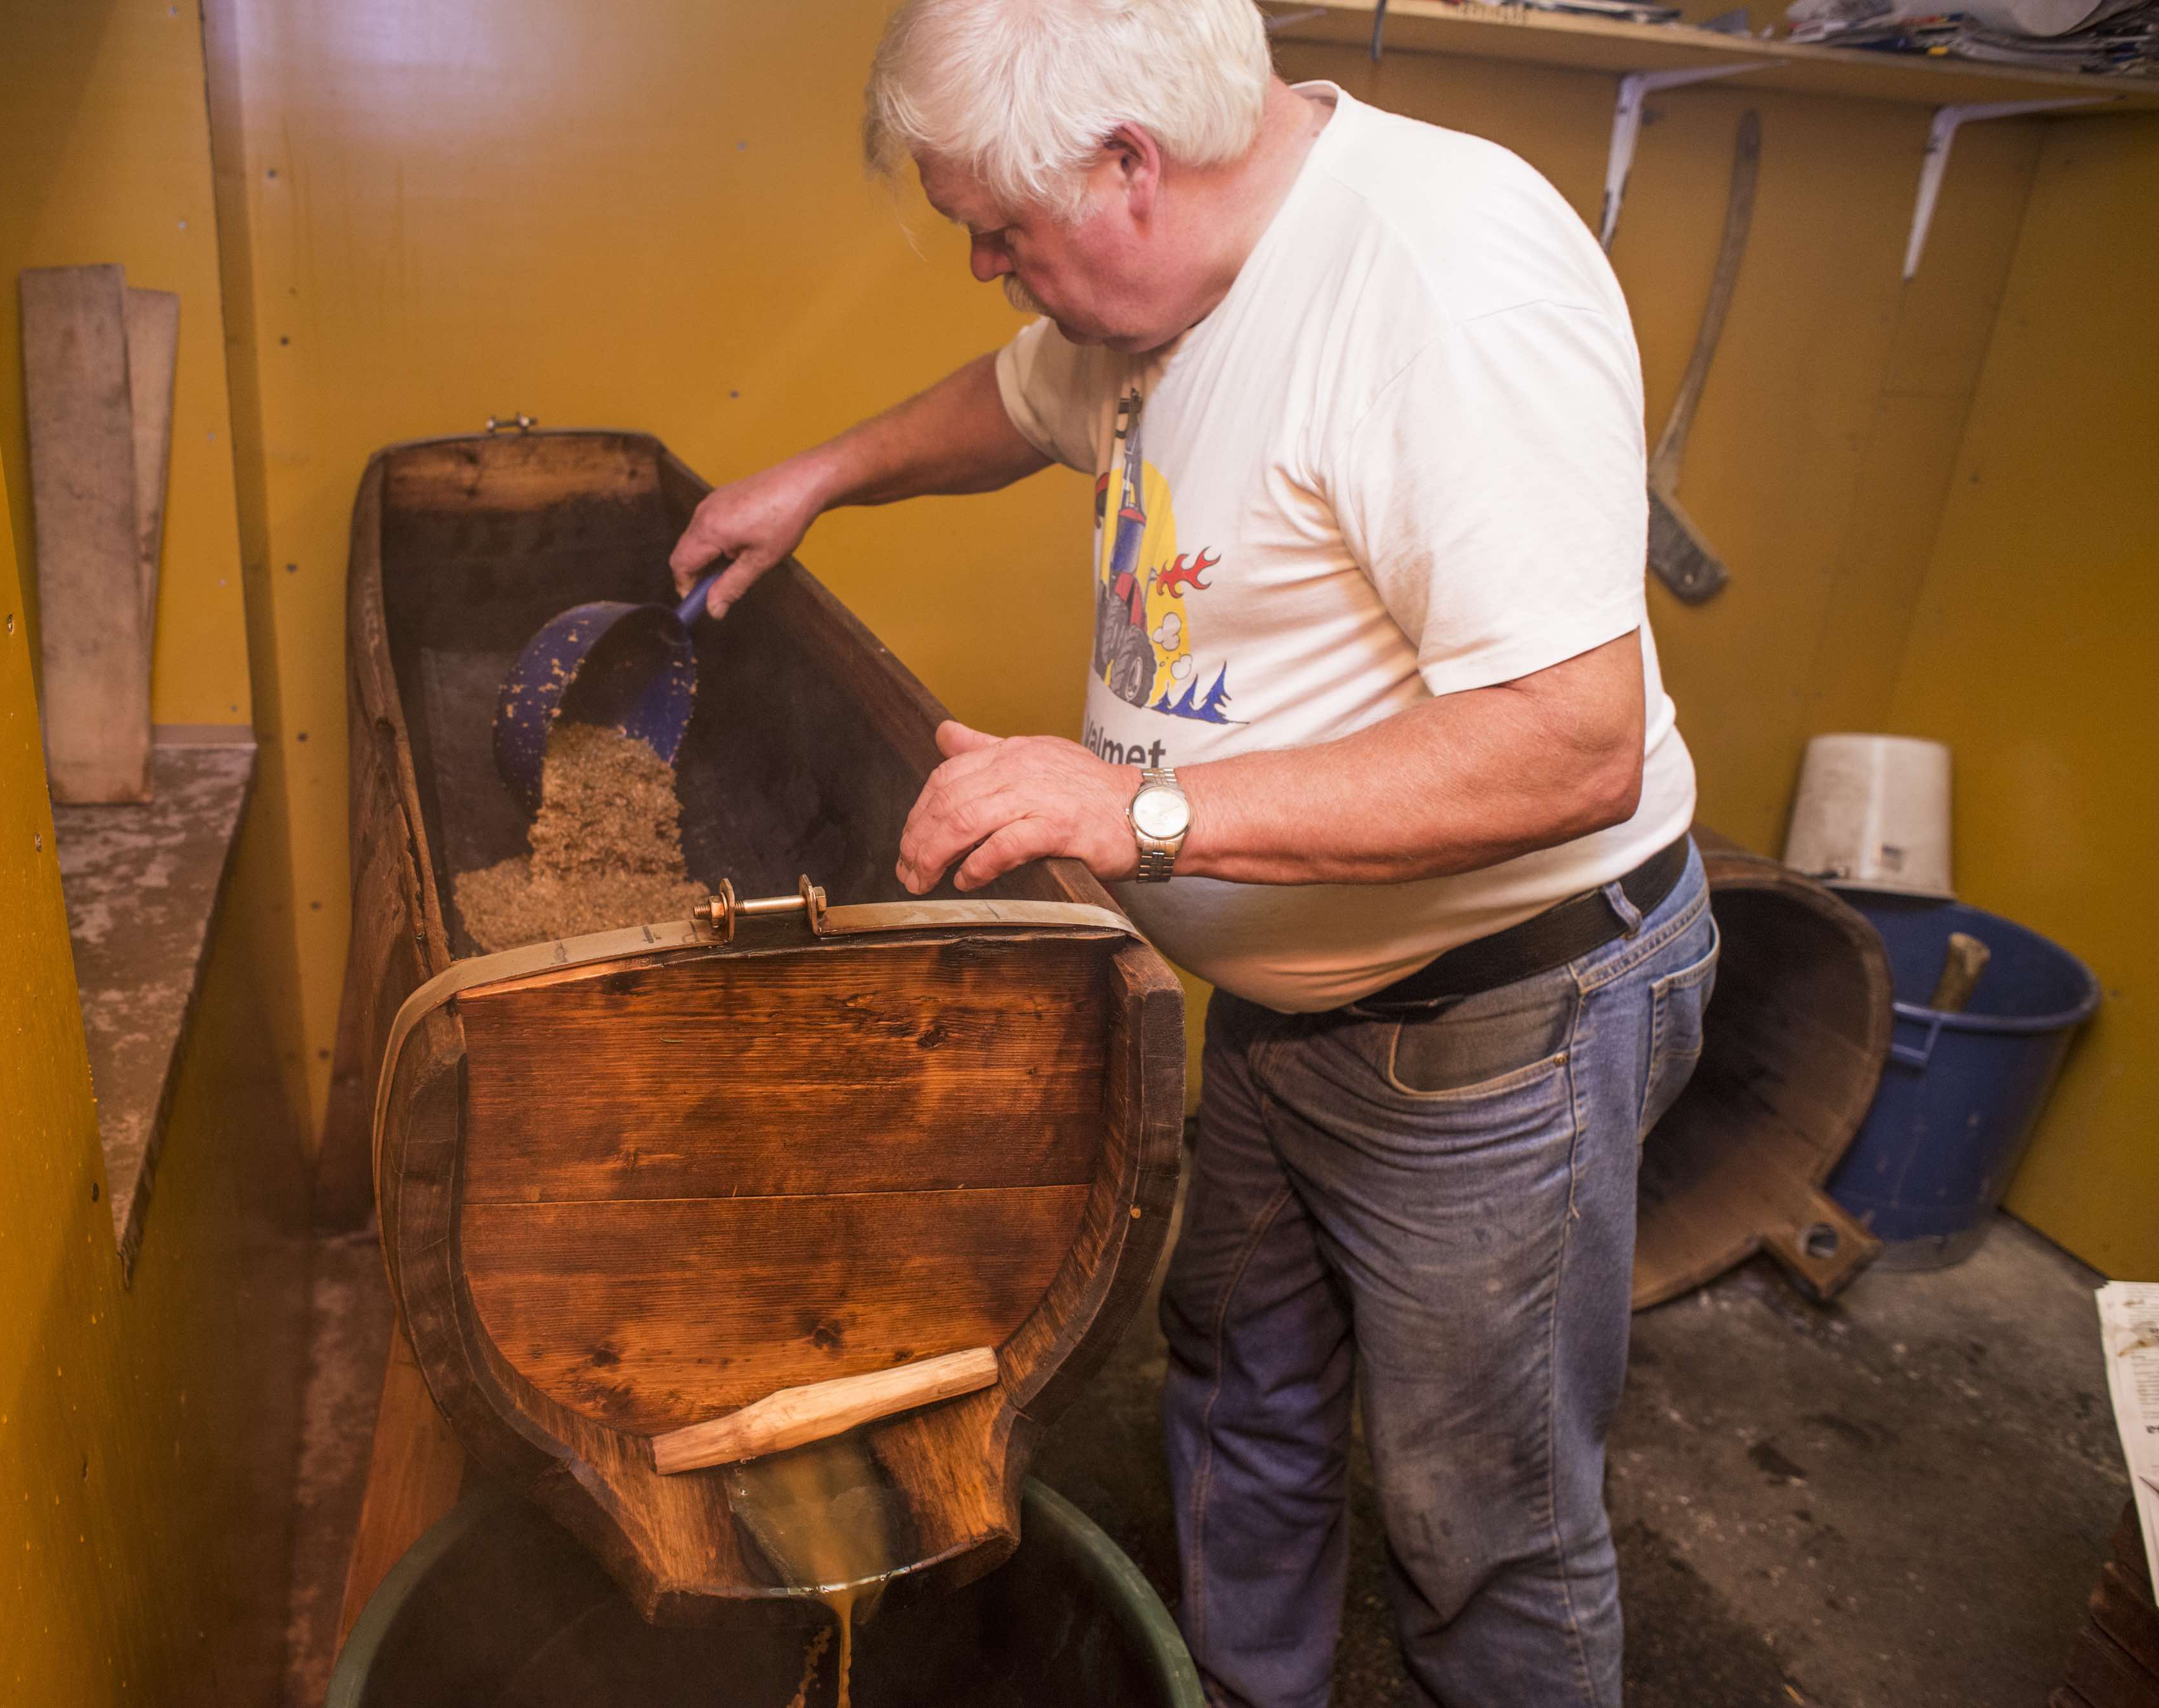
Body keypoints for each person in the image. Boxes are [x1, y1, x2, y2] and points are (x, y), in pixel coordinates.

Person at [670, 2, 1714, 1702]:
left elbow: (1571, 745)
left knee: (1481, 1517)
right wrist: (822, 477)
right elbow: (1022, 399)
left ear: (1129, 166)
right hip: (1297, 997)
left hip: (1497, 1021)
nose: (986, 269)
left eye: (1000, 232)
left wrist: (1138, 813)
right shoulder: (1153, 284)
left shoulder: (1444, 287)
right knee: (1239, 1387)